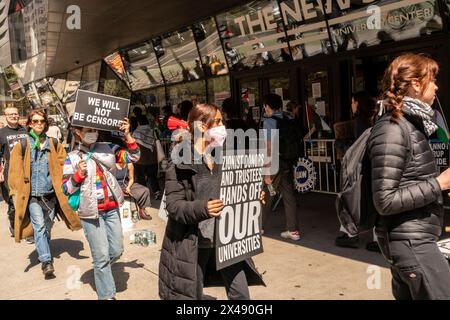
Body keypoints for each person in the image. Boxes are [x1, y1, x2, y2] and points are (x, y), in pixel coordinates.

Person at [159, 103, 264, 300]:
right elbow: (173, 206)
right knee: (193, 295)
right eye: (217, 122)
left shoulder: (222, 155)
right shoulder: (180, 161)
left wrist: (251, 197)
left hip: (227, 240)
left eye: (221, 121)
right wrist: (203, 208)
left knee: (241, 295)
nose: (222, 126)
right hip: (195, 243)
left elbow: (235, 188)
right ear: (200, 126)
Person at [368, 53, 450, 300]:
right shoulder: (393, 128)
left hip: (415, 239)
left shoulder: (412, 123)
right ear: (416, 83)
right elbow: (384, 200)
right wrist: (438, 183)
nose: (436, 86)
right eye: (432, 79)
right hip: (411, 243)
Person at [62, 118, 140, 300]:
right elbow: (66, 189)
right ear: (78, 133)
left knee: (117, 250)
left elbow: (134, 156)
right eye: (88, 130)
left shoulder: (110, 148)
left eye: (95, 130)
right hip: (90, 214)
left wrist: (127, 135)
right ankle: (107, 295)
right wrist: (78, 175)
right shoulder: (71, 157)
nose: (93, 133)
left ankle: (100, 265)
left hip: (112, 209)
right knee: (102, 257)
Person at [8, 110, 81, 279]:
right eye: (35, 121)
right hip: (32, 196)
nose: (39, 123)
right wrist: (15, 194)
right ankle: (46, 262)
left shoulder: (54, 144)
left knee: (47, 228)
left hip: (51, 196)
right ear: (30, 124)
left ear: (46, 123)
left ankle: (44, 248)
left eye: (42, 121)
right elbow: (14, 172)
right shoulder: (22, 145)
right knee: (39, 226)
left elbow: (66, 166)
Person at [335, 91, 379, 251]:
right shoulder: (374, 121)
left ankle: (350, 234)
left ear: (358, 104)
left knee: (349, 200)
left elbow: (357, 148)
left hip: (360, 169)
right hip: (372, 168)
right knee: (374, 203)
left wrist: (342, 144)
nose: (352, 105)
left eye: (353, 102)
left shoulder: (360, 122)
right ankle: (376, 238)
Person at [261, 94, 300, 241]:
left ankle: (259, 226)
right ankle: (293, 230)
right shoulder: (289, 118)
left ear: (267, 106)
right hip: (288, 162)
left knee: (267, 194)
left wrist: (266, 171)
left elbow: (269, 147)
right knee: (289, 195)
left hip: (275, 164)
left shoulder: (269, 122)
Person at [0, 107, 27, 237]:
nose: (14, 116)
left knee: (28, 200)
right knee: (12, 202)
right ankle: (13, 223)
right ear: (5, 116)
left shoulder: (27, 130)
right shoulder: (1, 133)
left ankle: (28, 230)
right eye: (10, 114)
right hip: (10, 172)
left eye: (16, 113)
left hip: (27, 170)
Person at [132, 115, 162, 200]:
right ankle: (157, 192)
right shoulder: (153, 131)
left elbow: (133, 145)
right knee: (152, 176)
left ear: (138, 123)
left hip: (140, 159)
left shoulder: (135, 132)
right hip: (152, 158)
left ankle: (145, 194)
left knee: (141, 177)